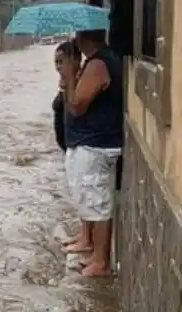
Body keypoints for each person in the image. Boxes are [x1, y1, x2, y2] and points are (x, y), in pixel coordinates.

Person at [58, 29, 123, 277]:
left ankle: (100, 260)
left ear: (84, 38)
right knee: (89, 199)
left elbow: (78, 106)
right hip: (89, 143)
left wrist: (72, 76)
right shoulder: (95, 62)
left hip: (96, 144)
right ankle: (93, 251)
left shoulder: (98, 64)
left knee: (98, 203)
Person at [52, 41, 82, 152]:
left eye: (61, 62)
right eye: (56, 62)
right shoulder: (65, 83)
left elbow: (74, 112)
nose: (58, 67)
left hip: (77, 148)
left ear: (75, 60)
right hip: (68, 148)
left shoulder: (82, 83)